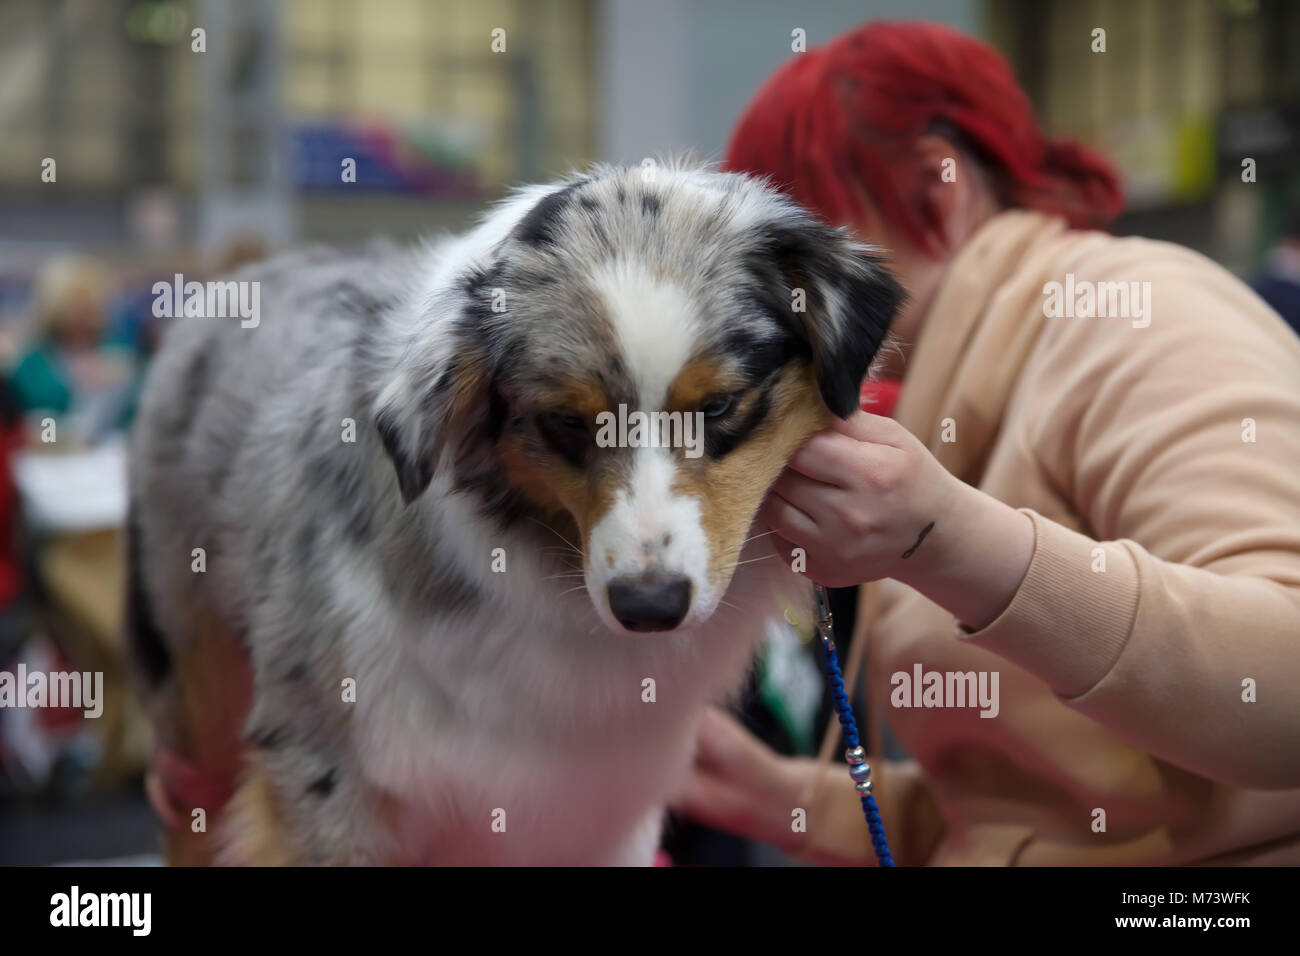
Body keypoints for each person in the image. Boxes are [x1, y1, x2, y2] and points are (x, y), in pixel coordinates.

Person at [673, 21, 1300, 866]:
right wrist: (770, 793)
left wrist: (953, 543)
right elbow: (1025, 814)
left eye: (808, 252)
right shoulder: (957, 385)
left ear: (939, 187)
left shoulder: (1137, 310)